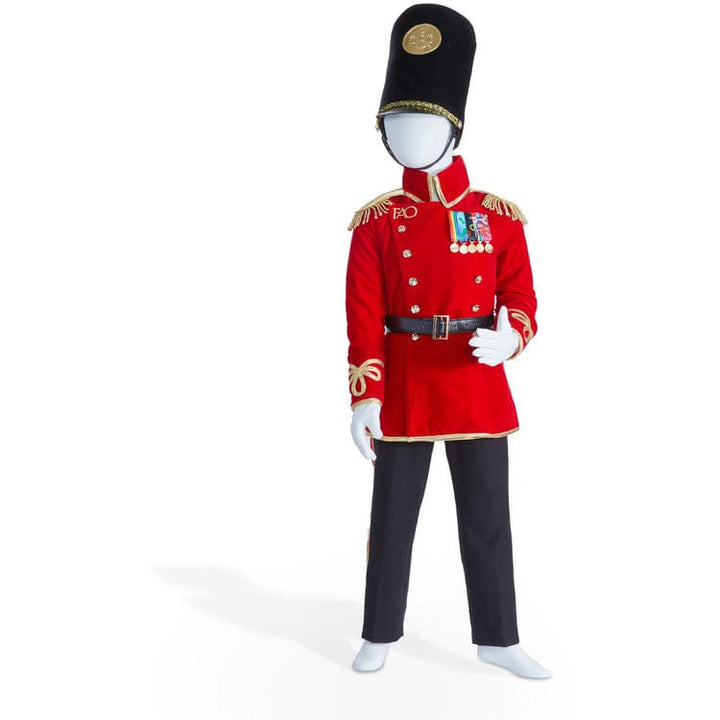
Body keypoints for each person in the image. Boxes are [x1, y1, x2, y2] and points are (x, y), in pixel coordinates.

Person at [345, 4, 551, 678]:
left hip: (473, 375)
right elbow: (362, 318)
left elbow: (521, 296)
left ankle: (498, 638)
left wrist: (510, 336)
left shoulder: (497, 217)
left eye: (424, 120)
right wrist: (365, 396)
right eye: (396, 122)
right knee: (393, 518)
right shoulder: (377, 224)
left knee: (488, 518)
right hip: (406, 377)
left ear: (454, 129)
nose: (407, 134)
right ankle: (378, 632)